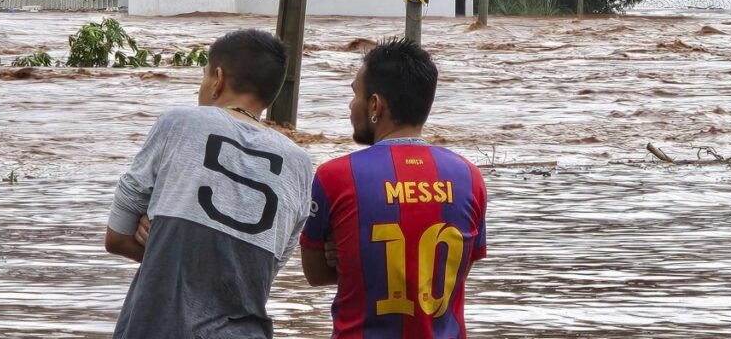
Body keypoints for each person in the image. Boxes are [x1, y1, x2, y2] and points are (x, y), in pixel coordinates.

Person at [105, 29, 313, 339]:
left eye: (203, 76)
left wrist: (165, 240)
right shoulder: (300, 164)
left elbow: (117, 237)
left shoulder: (180, 122)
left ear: (217, 78)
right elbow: (261, 273)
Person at [300, 39, 488, 338]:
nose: (351, 106)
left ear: (375, 105)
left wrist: (353, 253)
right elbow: (456, 271)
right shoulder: (469, 176)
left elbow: (315, 273)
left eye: (355, 95)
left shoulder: (334, 175)